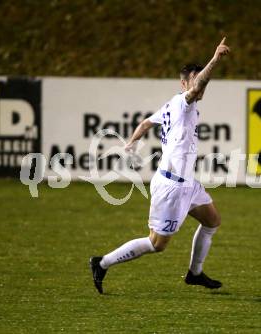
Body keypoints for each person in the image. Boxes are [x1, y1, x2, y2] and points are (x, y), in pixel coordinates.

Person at [90, 37, 231, 294]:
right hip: (171, 187)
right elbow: (199, 85)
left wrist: (132, 142)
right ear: (184, 83)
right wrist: (215, 60)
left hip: (187, 183)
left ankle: (195, 273)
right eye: (195, 80)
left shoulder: (171, 105)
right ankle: (102, 262)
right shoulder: (183, 104)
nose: (200, 86)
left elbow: (145, 123)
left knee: (212, 221)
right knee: (157, 244)